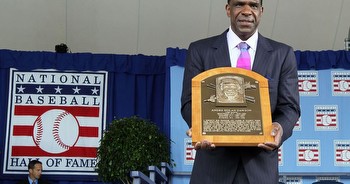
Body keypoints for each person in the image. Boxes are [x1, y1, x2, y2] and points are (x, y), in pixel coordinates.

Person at [180, 0, 301, 183]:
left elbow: (289, 107)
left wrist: (279, 128)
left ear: (261, 11)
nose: (246, 11)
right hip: (212, 170)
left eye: (253, 5)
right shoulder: (200, 50)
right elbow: (189, 101)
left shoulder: (282, 54)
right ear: (228, 9)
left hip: (260, 170)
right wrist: (202, 129)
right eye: (239, 4)